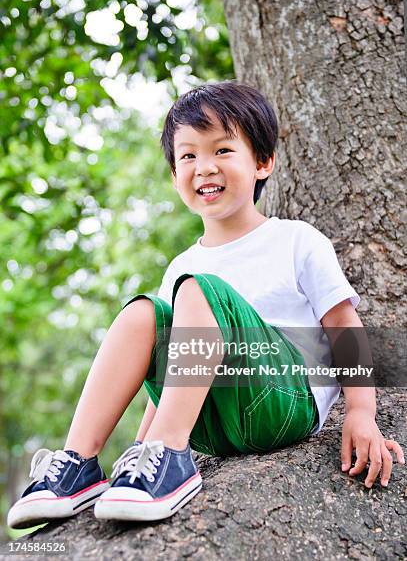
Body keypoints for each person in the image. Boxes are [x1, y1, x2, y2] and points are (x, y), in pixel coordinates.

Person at [7, 81, 404, 529]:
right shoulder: (181, 265)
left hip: (281, 402)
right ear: (175, 175)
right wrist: (139, 453)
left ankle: (170, 454)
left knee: (198, 291)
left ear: (263, 161)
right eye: (189, 156)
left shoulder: (295, 240)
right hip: (210, 425)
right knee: (143, 313)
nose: (204, 168)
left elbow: (343, 325)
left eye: (222, 150)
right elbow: (173, 364)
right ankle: (81, 461)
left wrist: (361, 413)